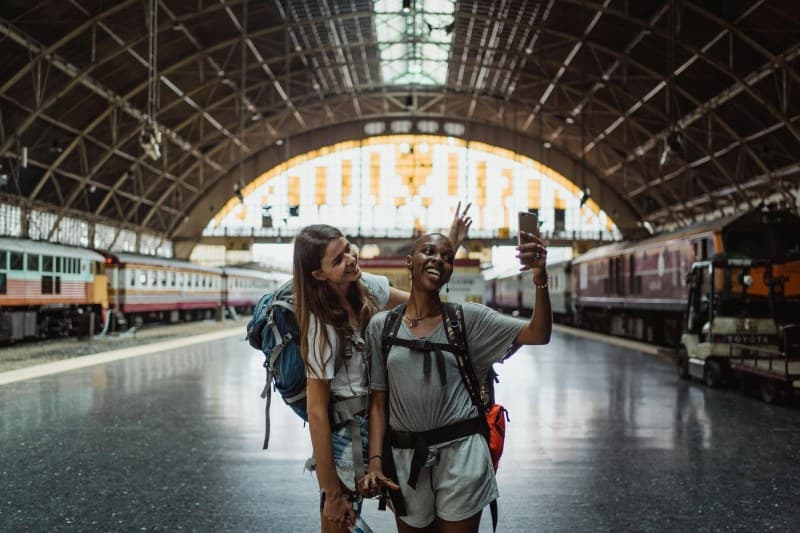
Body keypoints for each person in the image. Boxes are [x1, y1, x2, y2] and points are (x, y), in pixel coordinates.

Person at [294, 204, 472, 532]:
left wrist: (449, 247)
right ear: (319, 275)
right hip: (347, 436)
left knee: (416, 518)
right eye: (338, 259)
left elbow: (422, 304)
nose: (351, 258)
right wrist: (331, 492)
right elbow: (316, 412)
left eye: (348, 248)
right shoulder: (321, 326)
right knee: (339, 520)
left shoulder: (369, 287)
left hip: (387, 424)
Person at [362, 230, 551, 532]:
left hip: (463, 455)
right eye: (429, 252)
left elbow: (538, 333)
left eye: (447, 257)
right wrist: (375, 463)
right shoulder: (382, 327)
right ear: (409, 262)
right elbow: (378, 401)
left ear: (450, 271)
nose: (438, 259)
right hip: (405, 458)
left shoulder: (467, 320)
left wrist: (540, 277)